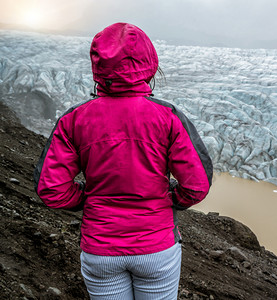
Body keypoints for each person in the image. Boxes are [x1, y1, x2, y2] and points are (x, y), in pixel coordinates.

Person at [34, 22, 213, 299]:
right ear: (149, 63)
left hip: (100, 248)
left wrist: (89, 200)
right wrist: (169, 199)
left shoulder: (74, 119)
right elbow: (197, 185)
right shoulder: (168, 117)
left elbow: (51, 189)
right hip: (156, 248)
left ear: (98, 67)